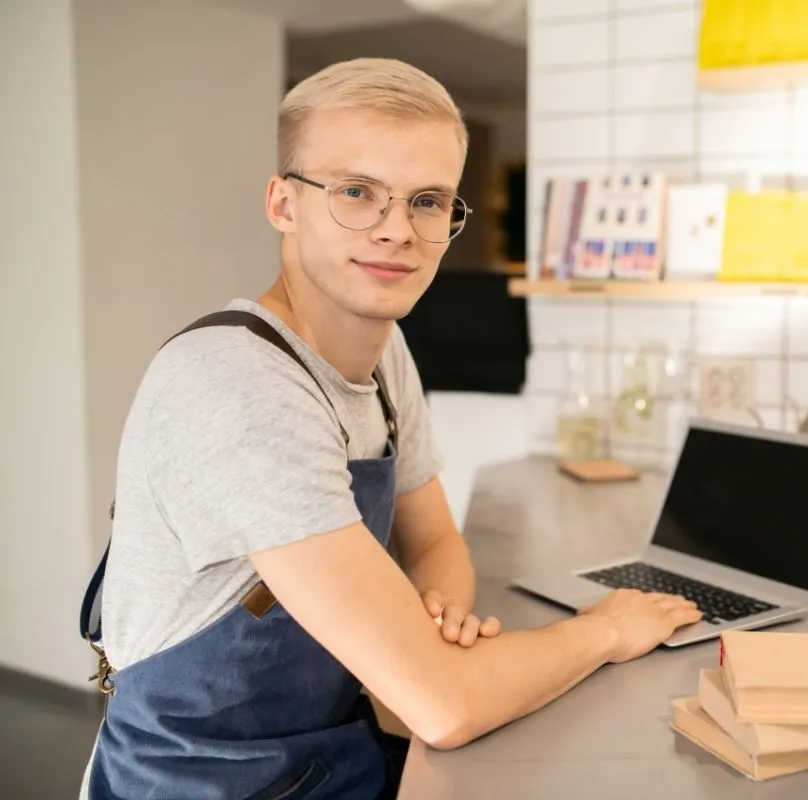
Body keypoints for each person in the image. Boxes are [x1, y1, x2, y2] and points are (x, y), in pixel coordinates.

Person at [77, 57, 702, 800]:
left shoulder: (382, 348)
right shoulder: (236, 384)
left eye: (428, 201)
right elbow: (441, 707)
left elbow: (435, 543)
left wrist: (434, 622)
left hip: (327, 760)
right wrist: (606, 630)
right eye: (356, 192)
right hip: (197, 783)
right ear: (282, 203)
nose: (397, 230)